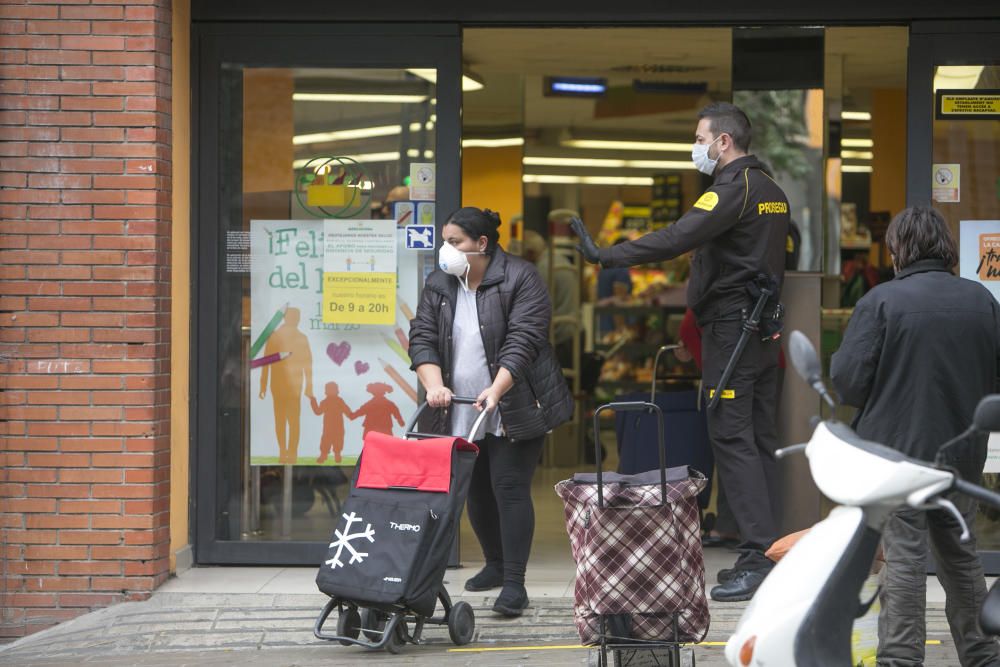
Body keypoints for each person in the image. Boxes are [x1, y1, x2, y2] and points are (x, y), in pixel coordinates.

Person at [571, 102, 789, 601]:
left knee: (732, 436)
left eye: (699, 138)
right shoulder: (774, 192)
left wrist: (608, 256)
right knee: (758, 439)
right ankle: (768, 550)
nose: (696, 147)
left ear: (724, 142)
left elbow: (676, 237)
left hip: (732, 332)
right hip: (759, 332)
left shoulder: (734, 189)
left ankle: (757, 556)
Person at [830, 206, 1000, 667]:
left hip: (897, 456)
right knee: (961, 556)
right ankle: (983, 655)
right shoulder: (981, 301)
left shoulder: (881, 302)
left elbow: (847, 382)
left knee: (904, 554)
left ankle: (900, 659)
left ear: (899, 250)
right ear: (944, 247)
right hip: (961, 455)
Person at [408, 206, 574, 617]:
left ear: (481, 245)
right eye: (445, 240)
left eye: (455, 242)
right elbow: (422, 337)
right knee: (475, 489)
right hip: (461, 404)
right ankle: (494, 564)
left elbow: (524, 340)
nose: (446, 250)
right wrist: (434, 386)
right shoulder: (440, 284)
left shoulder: (520, 278)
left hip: (515, 399)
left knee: (509, 486)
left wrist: (497, 389)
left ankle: (515, 583)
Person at [258, 307, 314, 465]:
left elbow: (307, 364)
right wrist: (262, 385)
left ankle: (287, 453)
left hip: (284, 386)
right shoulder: (287, 338)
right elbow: (267, 362)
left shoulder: (279, 337)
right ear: (289, 318)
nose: (297, 319)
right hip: (288, 386)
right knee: (290, 420)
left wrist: (263, 385)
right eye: (296, 316)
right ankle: (288, 452)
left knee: (283, 420)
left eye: (298, 316)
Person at [522, 230, 579, 369]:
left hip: (558, 337)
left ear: (530, 253)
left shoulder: (542, 268)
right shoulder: (559, 259)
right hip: (573, 333)